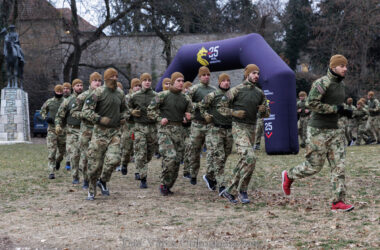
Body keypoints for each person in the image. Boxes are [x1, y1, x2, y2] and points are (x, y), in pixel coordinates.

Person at [282, 54, 355, 212]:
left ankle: (338, 202)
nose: (345, 69)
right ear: (333, 66)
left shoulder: (341, 85)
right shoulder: (322, 82)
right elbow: (311, 103)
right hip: (318, 130)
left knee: (339, 167)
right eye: (342, 66)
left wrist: (344, 111)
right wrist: (335, 109)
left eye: (346, 66)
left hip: (335, 130)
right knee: (314, 166)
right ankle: (289, 175)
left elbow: (337, 104)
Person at [218, 64, 270, 204]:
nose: (256, 75)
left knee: (246, 160)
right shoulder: (236, 90)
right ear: (247, 74)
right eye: (253, 73)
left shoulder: (260, 93)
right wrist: (234, 113)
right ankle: (240, 190)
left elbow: (266, 113)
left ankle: (234, 190)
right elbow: (221, 107)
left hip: (252, 128)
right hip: (238, 127)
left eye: (258, 73)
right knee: (250, 157)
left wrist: (264, 110)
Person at [82, 68, 127, 200]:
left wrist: (124, 116)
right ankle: (91, 188)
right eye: (112, 77)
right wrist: (99, 119)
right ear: (106, 79)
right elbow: (86, 111)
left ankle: (103, 180)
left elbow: (125, 110)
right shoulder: (98, 92)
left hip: (114, 132)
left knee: (115, 159)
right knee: (95, 164)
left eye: (116, 76)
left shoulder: (120, 93)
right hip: (100, 133)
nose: (115, 78)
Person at [147, 72, 192, 195]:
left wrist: (188, 117)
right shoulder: (162, 95)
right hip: (165, 130)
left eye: (182, 81)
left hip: (179, 131)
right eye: (178, 80)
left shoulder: (186, 98)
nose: (181, 83)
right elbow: (150, 111)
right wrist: (159, 118)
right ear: (172, 82)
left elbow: (189, 113)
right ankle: (163, 183)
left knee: (177, 160)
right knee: (170, 157)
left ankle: (168, 185)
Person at [199, 73, 233, 193]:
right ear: (219, 82)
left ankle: (210, 176)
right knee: (219, 156)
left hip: (229, 130)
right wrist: (206, 115)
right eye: (223, 81)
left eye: (228, 80)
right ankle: (222, 186)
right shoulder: (212, 95)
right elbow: (201, 106)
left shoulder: (232, 95)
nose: (226, 82)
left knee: (225, 155)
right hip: (215, 129)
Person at [70, 72, 102, 189]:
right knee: (85, 156)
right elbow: (73, 112)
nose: (97, 83)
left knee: (98, 156)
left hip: (100, 130)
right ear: (90, 82)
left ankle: (97, 179)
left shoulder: (104, 95)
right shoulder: (83, 96)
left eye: (99, 80)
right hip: (86, 131)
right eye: (95, 80)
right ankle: (85, 179)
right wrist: (85, 114)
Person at [127, 73, 157, 189]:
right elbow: (126, 109)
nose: (147, 82)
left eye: (149, 80)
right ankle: (143, 178)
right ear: (141, 82)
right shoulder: (134, 96)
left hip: (152, 128)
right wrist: (132, 112)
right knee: (140, 153)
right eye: (145, 80)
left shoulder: (156, 96)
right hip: (139, 127)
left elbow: (161, 109)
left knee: (149, 154)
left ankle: (140, 168)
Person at [187, 66, 216, 185]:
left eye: (208, 75)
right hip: (197, 124)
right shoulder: (194, 89)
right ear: (199, 77)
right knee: (195, 150)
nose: (206, 77)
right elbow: (187, 104)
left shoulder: (214, 90)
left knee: (213, 150)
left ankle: (209, 175)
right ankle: (193, 174)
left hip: (210, 125)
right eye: (204, 75)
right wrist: (199, 105)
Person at [55, 79, 84, 184]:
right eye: (77, 85)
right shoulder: (68, 101)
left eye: (81, 85)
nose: (80, 87)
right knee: (74, 154)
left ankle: (86, 177)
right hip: (72, 130)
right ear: (73, 87)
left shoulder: (87, 98)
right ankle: (75, 176)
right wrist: (58, 125)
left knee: (85, 155)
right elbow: (59, 115)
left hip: (85, 130)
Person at [40, 84, 66, 179]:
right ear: (54, 91)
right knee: (52, 151)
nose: (59, 93)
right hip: (51, 129)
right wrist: (46, 117)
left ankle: (58, 161)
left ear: (63, 92)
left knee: (62, 151)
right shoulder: (49, 102)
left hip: (63, 130)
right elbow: (42, 111)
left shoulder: (65, 102)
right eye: (57, 91)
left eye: (60, 91)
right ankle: (51, 171)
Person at [120, 78, 141, 175]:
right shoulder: (127, 98)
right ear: (132, 87)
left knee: (139, 149)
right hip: (129, 126)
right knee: (127, 149)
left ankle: (138, 171)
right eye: (136, 86)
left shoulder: (143, 97)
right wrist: (131, 113)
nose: (138, 88)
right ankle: (124, 163)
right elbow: (123, 112)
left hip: (140, 126)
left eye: (139, 86)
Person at [182, 81, 193, 178]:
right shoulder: (182, 98)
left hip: (190, 127)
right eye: (186, 88)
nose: (188, 89)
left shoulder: (192, 100)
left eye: (190, 88)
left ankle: (187, 170)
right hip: (180, 127)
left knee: (189, 148)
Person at [62, 82, 72, 170]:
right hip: (60, 127)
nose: (65, 90)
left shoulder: (73, 99)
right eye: (64, 88)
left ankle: (68, 162)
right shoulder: (59, 99)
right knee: (61, 146)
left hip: (70, 126)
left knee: (69, 145)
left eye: (67, 88)